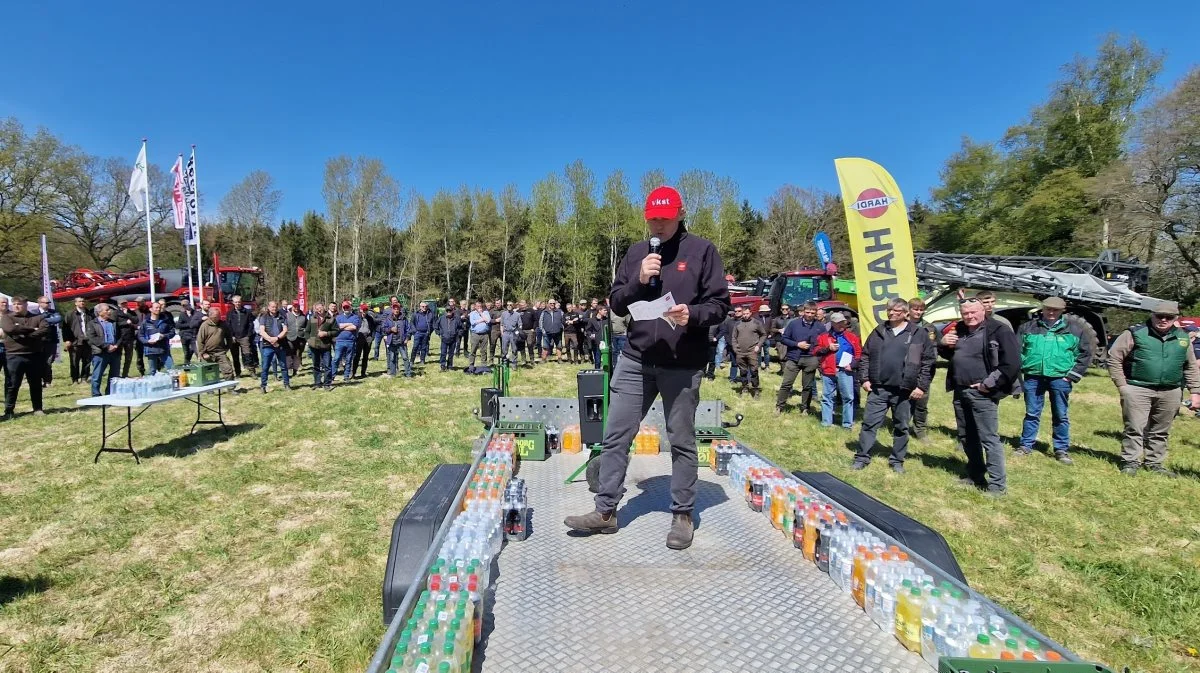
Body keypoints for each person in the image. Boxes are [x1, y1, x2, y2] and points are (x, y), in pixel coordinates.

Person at [564, 185, 731, 551]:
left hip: (682, 363)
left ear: (680, 213)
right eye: (653, 219)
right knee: (615, 435)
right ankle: (605, 511)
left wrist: (693, 314)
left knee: (682, 440)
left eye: (665, 219)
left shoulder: (702, 251)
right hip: (636, 359)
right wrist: (639, 280)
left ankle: (683, 514)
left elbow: (720, 304)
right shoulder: (638, 253)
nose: (658, 226)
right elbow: (617, 303)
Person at [1107, 301, 1200, 477]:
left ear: (1175, 318)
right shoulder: (1134, 333)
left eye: (1169, 317)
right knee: (1135, 427)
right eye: (1159, 316)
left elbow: (1190, 366)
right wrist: (1122, 386)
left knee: (1161, 430)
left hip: (1171, 391)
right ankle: (1130, 461)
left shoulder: (1183, 337)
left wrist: (1195, 392)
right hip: (1137, 388)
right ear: (1152, 315)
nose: (1163, 320)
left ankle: (1154, 463)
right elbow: (1114, 358)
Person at [938, 298, 1021, 495]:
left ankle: (997, 486)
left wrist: (988, 384)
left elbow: (1012, 363)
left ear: (983, 310)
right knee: (967, 436)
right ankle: (975, 474)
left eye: (973, 312)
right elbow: (953, 355)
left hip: (983, 393)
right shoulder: (959, 328)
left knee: (988, 438)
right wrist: (942, 345)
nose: (969, 316)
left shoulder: (999, 330)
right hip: (960, 390)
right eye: (965, 313)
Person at [852, 299, 936, 473]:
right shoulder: (879, 331)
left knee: (901, 426)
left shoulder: (918, 333)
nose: (891, 313)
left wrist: (921, 386)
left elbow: (928, 362)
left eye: (896, 310)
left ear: (906, 313)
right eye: (889, 310)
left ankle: (897, 460)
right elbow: (866, 355)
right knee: (869, 424)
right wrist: (865, 379)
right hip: (878, 388)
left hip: (904, 390)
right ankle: (862, 457)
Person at [1015, 297, 1093, 464]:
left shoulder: (1075, 329)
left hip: (1060, 378)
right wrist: (1022, 368)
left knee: (1060, 415)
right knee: (1031, 413)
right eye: (1048, 309)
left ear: (1062, 311)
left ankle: (1061, 449)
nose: (1051, 312)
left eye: (1055, 310)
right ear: (1042, 309)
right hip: (1033, 377)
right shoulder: (1027, 327)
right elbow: (1017, 351)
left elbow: (1085, 355)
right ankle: (1025, 445)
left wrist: (1071, 375)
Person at [1, 297, 48, 419]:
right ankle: (9, 410)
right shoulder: (7, 317)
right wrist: (32, 329)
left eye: (19, 304)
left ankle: (38, 408)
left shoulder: (37, 317)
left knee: (36, 383)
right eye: (14, 304)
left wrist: (22, 333)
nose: (16, 306)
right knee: (13, 384)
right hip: (14, 355)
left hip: (34, 355)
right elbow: (10, 329)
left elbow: (44, 330)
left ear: (26, 305)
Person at [776, 301, 826, 415]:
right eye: (807, 312)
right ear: (803, 311)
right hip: (794, 358)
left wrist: (818, 356)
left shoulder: (820, 326)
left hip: (811, 359)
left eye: (812, 313)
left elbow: (824, 343)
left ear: (816, 313)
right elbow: (783, 339)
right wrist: (797, 344)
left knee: (807, 386)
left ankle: (805, 408)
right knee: (786, 383)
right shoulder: (794, 324)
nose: (809, 315)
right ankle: (780, 406)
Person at [816, 312, 861, 428]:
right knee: (827, 397)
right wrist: (827, 348)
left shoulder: (852, 337)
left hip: (845, 371)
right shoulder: (824, 337)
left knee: (848, 398)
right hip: (828, 371)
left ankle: (847, 424)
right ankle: (826, 422)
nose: (841, 325)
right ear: (832, 324)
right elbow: (816, 351)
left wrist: (853, 365)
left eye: (843, 322)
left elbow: (859, 353)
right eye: (838, 323)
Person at [907, 297, 934, 440]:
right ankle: (902, 427)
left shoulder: (929, 327)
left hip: (923, 369)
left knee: (921, 403)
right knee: (903, 401)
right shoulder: (901, 325)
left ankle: (920, 430)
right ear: (909, 310)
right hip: (904, 369)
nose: (918, 312)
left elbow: (933, 350)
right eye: (915, 309)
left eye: (921, 309)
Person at [732, 306, 768, 397]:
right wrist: (735, 348)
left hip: (752, 351)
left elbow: (763, 335)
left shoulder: (756, 323)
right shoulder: (737, 324)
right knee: (743, 371)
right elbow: (734, 337)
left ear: (750, 313)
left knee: (754, 371)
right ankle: (744, 387)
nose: (745, 315)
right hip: (740, 352)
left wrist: (758, 346)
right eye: (744, 314)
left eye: (747, 313)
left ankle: (755, 389)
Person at [86, 305, 121, 397]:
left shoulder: (113, 323)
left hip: (115, 352)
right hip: (100, 353)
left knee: (114, 375)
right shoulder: (92, 323)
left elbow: (120, 335)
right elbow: (92, 338)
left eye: (109, 310)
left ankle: (111, 393)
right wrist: (106, 346)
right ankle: (96, 394)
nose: (109, 312)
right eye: (107, 310)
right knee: (97, 375)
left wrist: (116, 345)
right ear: (99, 312)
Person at [256, 301, 291, 393]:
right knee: (265, 366)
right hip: (267, 345)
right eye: (272, 307)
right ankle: (263, 386)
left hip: (280, 344)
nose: (274, 308)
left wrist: (277, 338)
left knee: (283, 366)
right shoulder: (264, 317)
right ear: (268, 307)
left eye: (275, 307)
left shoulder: (282, 316)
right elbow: (262, 331)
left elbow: (285, 330)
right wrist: (270, 339)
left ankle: (286, 384)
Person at [196, 305, 236, 382]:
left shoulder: (223, 324)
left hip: (220, 352)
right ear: (210, 316)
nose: (218, 318)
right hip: (208, 353)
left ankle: (231, 387)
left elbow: (229, 336)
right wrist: (203, 353)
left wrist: (227, 347)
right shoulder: (204, 325)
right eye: (215, 317)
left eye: (218, 316)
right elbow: (200, 340)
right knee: (209, 372)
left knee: (228, 369)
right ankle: (210, 389)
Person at [137, 301, 176, 375]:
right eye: (156, 308)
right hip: (151, 349)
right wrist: (147, 341)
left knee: (172, 369)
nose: (158, 309)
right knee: (152, 371)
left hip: (164, 349)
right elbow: (140, 336)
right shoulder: (145, 322)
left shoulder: (165, 320)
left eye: (159, 307)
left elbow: (172, 332)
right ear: (151, 309)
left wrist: (164, 336)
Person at [32, 296, 62, 388]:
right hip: (38, 341)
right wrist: (47, 320)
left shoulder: (53, 312)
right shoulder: (33, 313)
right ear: (40, 303)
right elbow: (32, 322)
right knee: (37, 362)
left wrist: (42, 321)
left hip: (50, 341)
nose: (48, 304)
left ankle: (47, 381)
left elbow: (57, 319)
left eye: (49, 303)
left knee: (48, 362)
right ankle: (38, 380)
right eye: (46, 303)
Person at [305, 302, 335, 390]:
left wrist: (326, 333)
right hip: (314, 346)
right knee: (316, 365)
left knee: (327, 366)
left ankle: (327, 384)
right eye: (317, 308)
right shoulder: (312, 318)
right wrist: (309, 340)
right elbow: (306, 331)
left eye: (320, 307)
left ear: (324, 307)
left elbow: (336, 331)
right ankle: (317, 382)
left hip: (325, 345)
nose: (319, 309)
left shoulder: (331, 319)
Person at [62, 296, 92, 384]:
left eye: (83, 301)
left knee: (87, 361)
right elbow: (65, 328)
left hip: (87, 341)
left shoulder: (89, 313)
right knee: (74, 361)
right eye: (80, 301)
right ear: (75, 303)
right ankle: (75, 379)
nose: (82, 303)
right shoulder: (70, 314)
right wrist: (67, 340)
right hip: (75, 341)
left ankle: (84, 378)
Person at [226, 294, 257, 377]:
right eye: (236, 302)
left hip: (244, 336)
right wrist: (231, 335)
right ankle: (238, 372)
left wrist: (248, 334)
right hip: (233, 337)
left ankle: (252, 371)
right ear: (233, 303)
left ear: (241, 302)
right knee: (235, 356)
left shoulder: (247, 312)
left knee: (248, 354)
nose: (237, 303)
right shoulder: (230, 313)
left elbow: (251, 324)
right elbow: (228, 325)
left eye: (239, 302)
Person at [382, 301, 413, 378]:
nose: (396, 310)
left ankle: (408, 374)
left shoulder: (404, 319)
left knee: (405, 358)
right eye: (394, 308)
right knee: (392, 359)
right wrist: (390, 329)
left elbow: (408, 329)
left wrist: (407, 338)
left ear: (399, 309)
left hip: (402, 342)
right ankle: (393, 374)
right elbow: (383, 329)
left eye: (397, 308)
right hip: (392, 341)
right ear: (392, 309)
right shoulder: (388, 319)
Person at [333, 300, 361, 382]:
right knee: (336, 359)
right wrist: (349, 324)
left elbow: (354, 327)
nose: (346, 308)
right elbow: (337, 327)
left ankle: (346, 376)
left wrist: (342, 326)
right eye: (344, 307)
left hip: (350, 341)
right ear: (342, 308)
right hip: (339, 341)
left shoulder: (355, 317)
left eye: (347, 307)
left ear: (350, 307)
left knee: (349, 360)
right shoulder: (338, 317)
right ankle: (332, 375)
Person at [117, 302, 141, 377]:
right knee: (118, 357)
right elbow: (115, 324)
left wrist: (128, 314)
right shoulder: (115, 313)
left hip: (129, 337)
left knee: (129, 357)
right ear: (119, 305)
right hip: (119, 337)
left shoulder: (131, 312)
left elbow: (136, 320)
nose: (124, 305)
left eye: (125, 304)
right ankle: (116, 374)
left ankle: (125, 374)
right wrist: (125, 322)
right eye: (122, 304)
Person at [284, 300, 309, 376]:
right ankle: (289, 368)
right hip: (290, 337)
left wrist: (305, 333)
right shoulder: (287, 315)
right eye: (295, 306)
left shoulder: (303, 316)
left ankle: (296, 369)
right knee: (289, 353)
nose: (296, 308)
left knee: (298, 354)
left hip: (301, 338)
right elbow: (284, 326)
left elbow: (307, 326)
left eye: (297, 306)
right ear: (292, 306)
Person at [436, 304, 463, 371]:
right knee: (443, 353)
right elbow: (436, 327)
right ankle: (443, 365)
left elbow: (461, 328)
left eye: (450, 310)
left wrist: (458, 334)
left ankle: (450, 365)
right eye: (447, 310)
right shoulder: (441, 318)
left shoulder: (456, 318)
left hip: (453, 339)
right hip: (444, 338)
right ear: (445, 311)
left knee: (451, 353)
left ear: (452, 311)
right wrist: (439, 333)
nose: (449, 312)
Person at [352, 302, 375, 378]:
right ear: (360, 310)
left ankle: (363, 373)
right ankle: (353, 373)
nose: (365, 311)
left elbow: (373, 328)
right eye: (363, 310)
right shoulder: (356, 317)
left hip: (368, 338)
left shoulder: (370, 318)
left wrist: (372, 337)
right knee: (357, 356)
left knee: (365, 356)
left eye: (366, 310)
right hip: (359, 337)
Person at [467, 301, 491, 369]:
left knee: (484, 350)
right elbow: (473, 322)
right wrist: (482, 320)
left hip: (484, 334)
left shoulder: (485, 312)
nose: (479, 308)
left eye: (480, 306)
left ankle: (484, 365)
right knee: (473, 350)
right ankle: (471, 365)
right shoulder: (472, 313)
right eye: (478, 306)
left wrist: (481, 313)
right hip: (475, 334)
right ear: (475, 307)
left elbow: (488, 321)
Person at [410, 301, 435, 367]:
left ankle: (422, 360)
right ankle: (412, 361)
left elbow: (433, 324)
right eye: (423, 306)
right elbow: (412, 323)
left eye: (426, 306)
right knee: (415, 347)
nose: (424, 308)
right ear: (420, 307)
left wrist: (429, 332)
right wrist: (414, 331)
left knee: (424, 348)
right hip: (417, 333)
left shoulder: (430, 314)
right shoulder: (416, 314)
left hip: (426, 333)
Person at [585, 305, 608, 369]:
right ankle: (597, 373)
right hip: (597, 343)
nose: (606, 312)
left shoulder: (607, 320)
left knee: (607, 361)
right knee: (597, 361)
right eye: (604, 310)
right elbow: (588, 330)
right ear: (599, 311)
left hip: (606, 343)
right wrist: (592, 336)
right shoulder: (592, 320)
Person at [772, 304, 793, 372]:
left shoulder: (792, 320)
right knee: (781, 356)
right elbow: (772, 329)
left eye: (786, 309)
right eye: (783, 309)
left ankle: (787, 370)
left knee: (787, 356)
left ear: (789, 310)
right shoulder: (777, 319)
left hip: (789, 340)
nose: (785, 310)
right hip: (779, 340)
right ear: (781, 310)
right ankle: (782, 369)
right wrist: (779, 330)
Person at [517, 299, 537, 365]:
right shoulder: (517, 312)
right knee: (521, 346)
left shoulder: (531, 311)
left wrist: (533, 329)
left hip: (529, 331)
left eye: (523, 305)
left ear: (526, 304)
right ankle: (524, 360)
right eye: (521, 305)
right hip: (521, 331)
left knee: (530, 344)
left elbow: (535, 320)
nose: (522, 306)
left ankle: (532, 359)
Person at [500, 301, 521, 366]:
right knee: (504, 349)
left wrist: (517, 333)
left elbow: (520, 325)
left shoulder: (517, 314)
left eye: (510, 305)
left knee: (514, 349)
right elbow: (501, 324)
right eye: (507, 305)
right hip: (505, 333)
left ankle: (514, 364)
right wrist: (502, 333)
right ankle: (505, 363)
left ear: (513, 306)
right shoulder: (503, 314)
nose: (509, 306)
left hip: (513, 333)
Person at [0, 296, 8, 394]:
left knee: (10, 375)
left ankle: (8, 398)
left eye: (6, 303)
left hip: (9, 347)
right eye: (2, 302)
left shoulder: (12, 315)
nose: (4, 304)